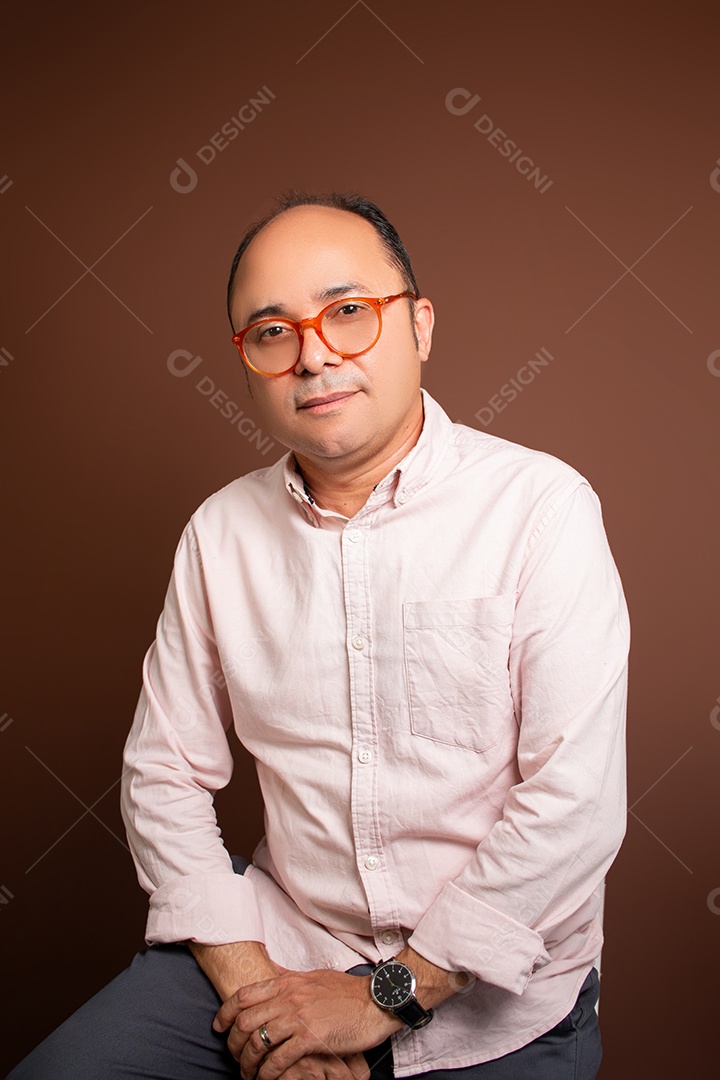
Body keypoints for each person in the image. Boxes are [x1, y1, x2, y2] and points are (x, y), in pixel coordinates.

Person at [8, 192, 629, 1080]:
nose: (314, 355)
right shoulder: (219, 535)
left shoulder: (543, 510)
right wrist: (262, 1002)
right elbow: (162, 774)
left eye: (348, 312)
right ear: (248, 361)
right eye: (273, 332)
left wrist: (381, 998)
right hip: (283, 947)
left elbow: (574, 801)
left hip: (495, 1001)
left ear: (419, 325)